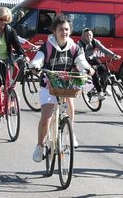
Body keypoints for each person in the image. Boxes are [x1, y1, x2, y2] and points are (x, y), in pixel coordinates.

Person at [28, 15, 94, 160]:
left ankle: (71, 132)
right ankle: (40, 146)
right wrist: (35, 66)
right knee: (46, 117)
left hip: (66, 85)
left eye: (66, 29)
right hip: (48, 85)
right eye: (60, 29)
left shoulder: (75, 48)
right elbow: (39, 58)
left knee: (70, 106)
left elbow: (81, 61)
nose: (63, 32)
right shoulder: (48, 46)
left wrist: (87, 69)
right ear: (54, 31)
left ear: (70, 31)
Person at [79, 28, 119, 96]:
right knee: (94, 74)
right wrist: (87, 66)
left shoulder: (94, 41)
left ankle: (104, 87)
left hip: (94, 59)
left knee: (103, 70)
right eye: (86, 35)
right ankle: (99, 91)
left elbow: (103, 49)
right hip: (85, 60)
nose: (89, 37)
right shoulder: (81, 43)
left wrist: (113, 55)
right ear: (83, 36)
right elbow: (82, 55)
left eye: (90, 35)